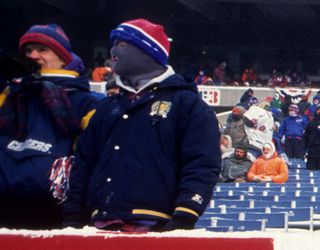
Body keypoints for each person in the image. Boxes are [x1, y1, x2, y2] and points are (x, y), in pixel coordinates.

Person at [64, 19, 218, 232]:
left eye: (122, 44)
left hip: (156, 225)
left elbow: (202, 162)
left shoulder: (187, 104)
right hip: (99, 225)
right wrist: (73, 215)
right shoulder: (106, 107)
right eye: (113, 44)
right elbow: (83, 164)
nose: (113, 51)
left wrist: (185, 214)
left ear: (148, 51)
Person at [0, 24, 102, 229]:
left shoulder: (88, 102)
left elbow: (92, 159)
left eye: (42, 50)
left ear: (63, 58)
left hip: (54, 214)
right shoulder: (11, 95)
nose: (33, 56)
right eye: (28, 51)